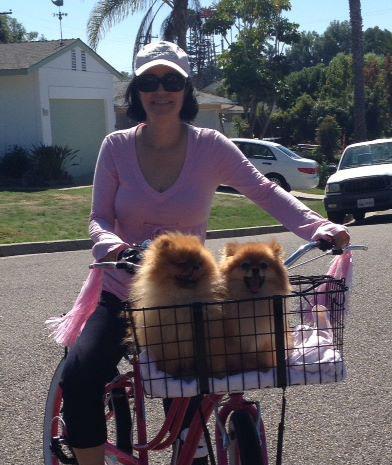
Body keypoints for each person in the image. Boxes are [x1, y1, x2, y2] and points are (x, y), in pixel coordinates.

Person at [56, 41, 350, 465]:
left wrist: (319, 226)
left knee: (194, 385)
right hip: (123, 292)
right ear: (136, 91)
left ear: (187, 89)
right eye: (149, 82)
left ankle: (192, 450)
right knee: (81, 375)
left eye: (171, 80)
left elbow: (264, 190)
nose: (161, 91)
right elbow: (98, 217)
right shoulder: (116, 146)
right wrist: (115, 247)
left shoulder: (211, 146)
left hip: (191, 297)